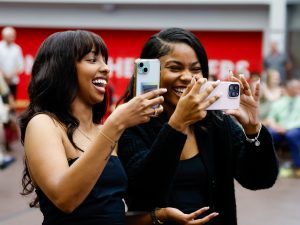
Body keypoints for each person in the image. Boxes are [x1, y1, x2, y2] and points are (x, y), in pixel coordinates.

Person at [19, 30, 218, 225]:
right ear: (62, 67)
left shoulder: (102, 131)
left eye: (105, 60)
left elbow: (107, 213)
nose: (106, 68)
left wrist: (159, 215)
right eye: (92, 60)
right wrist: (115, 124)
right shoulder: (43, 124)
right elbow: (65, 199)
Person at [117, 27, 279, 225]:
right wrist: (177, 124)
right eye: (175, 68)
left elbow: (259, 180)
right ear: (149, 72)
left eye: (195, 69)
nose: (187, 77)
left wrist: (253, 129)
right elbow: (143, 195)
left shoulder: (217, 121)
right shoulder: (132, 123)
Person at [264, 79, 300, 177]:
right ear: (289, 88)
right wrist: (275, 126)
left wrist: (286, 128)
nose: (298, 89)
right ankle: (272, 165)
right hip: (279, 129)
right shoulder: (279, 102)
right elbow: (271, 117)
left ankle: (298, 166)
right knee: (268, 134)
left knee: (292, 135)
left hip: (296, 128)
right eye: (296, 87)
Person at [0, 26, 24, 98]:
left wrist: (10, 75)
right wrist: (3, 75)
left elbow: (20, 66)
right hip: (1, 81)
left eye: (13, 36)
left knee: (12, 103)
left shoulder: (17, 49)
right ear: (4, 36)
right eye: (10, 36)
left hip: (13, 81)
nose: (13, 38)